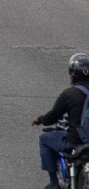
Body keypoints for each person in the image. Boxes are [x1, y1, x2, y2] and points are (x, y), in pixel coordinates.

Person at [34, 53, 89, 189]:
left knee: (45, 139)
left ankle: (54, 182)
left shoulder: (70, 94)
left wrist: (40, 120)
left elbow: (53, 116)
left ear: (72, 73)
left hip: (76, 140)